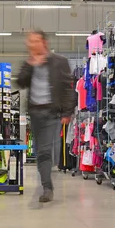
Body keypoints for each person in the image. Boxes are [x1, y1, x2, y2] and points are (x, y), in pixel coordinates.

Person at [17, 30, 75, 203]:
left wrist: (67, 112)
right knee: (40, 150)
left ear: (44, 42)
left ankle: (47, 188)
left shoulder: (60, 62)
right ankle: (46, 183)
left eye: (34, 41)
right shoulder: (29, 63)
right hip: (35, 112)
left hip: (52, 112)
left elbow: (68, 89)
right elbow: (20, 82)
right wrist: (30, 64)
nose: (31, 45)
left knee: (44, 150)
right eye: (29, 42)